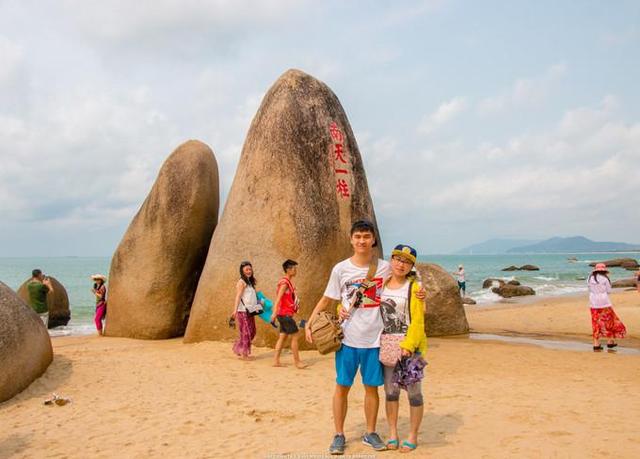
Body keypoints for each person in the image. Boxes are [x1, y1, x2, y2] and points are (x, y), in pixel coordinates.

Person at [305, 220, 391, 455]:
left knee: (371, 388)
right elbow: (327, 299)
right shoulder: (341, 269)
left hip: (375, 340)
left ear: (373, 239)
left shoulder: (385, 268)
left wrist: (419, 292)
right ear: (351, 240)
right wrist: (310, 323)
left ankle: (370, 432)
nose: (362, 240)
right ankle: (339, 434)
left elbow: (406, 284)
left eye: (366, 236)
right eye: (358, 236)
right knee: (342, 386)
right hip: (347, 340)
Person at [379, 244, 426, 453]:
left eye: (407, 261)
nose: (401, 264)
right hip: (387, 345)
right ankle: (392, 433)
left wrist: (408, 345)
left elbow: (418, 320)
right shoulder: (381, 285)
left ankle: (413, 435)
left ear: (411, 266)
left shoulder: (415, 288)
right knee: (390, 392)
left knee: (414, 393)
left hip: (410, 347)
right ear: (391, 260)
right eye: (398, 259)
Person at [271, 259, 306, 368]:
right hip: (285, 315)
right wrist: (274, 313)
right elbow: (278, 298)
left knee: (282, 337)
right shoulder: (285, 283)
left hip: (284, 314)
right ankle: (297, 362)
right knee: (295, 336)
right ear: (288, 270)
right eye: (294, 268)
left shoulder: (288, 282)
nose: (296, 271)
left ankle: (276, 361)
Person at [587, 263, 626, 351]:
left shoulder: (589, 278)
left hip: (593, 302)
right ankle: (609, 341)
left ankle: (596, 344)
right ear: (604, 271)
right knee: (609, 321)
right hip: (604, 302)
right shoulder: (605, 279)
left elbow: (589, 289)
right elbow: (608, 291)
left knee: (595, 322)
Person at [231, 261, 260, 360]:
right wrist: (234, 310)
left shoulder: (250, 282)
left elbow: (252, 296)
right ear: (242, 271)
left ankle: (239, 347)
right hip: (243, 311)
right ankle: (244, 354)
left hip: (251, 310)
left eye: (250, 269)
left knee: (253, 332)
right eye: (247, 269)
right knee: (247, 332)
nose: (249, 271)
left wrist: (260, 302)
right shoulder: (241, 282)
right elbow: (238, 296)